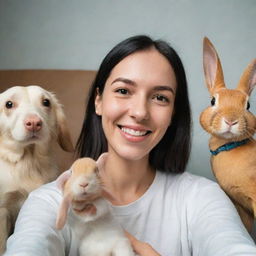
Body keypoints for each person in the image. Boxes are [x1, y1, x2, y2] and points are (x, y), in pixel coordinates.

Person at [4, 35, 256, 256]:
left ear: (173, 114)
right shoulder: (47, 202)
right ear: (99, 101)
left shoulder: (202, 198)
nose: (139, 112)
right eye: (124, 91)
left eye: (160, 97)